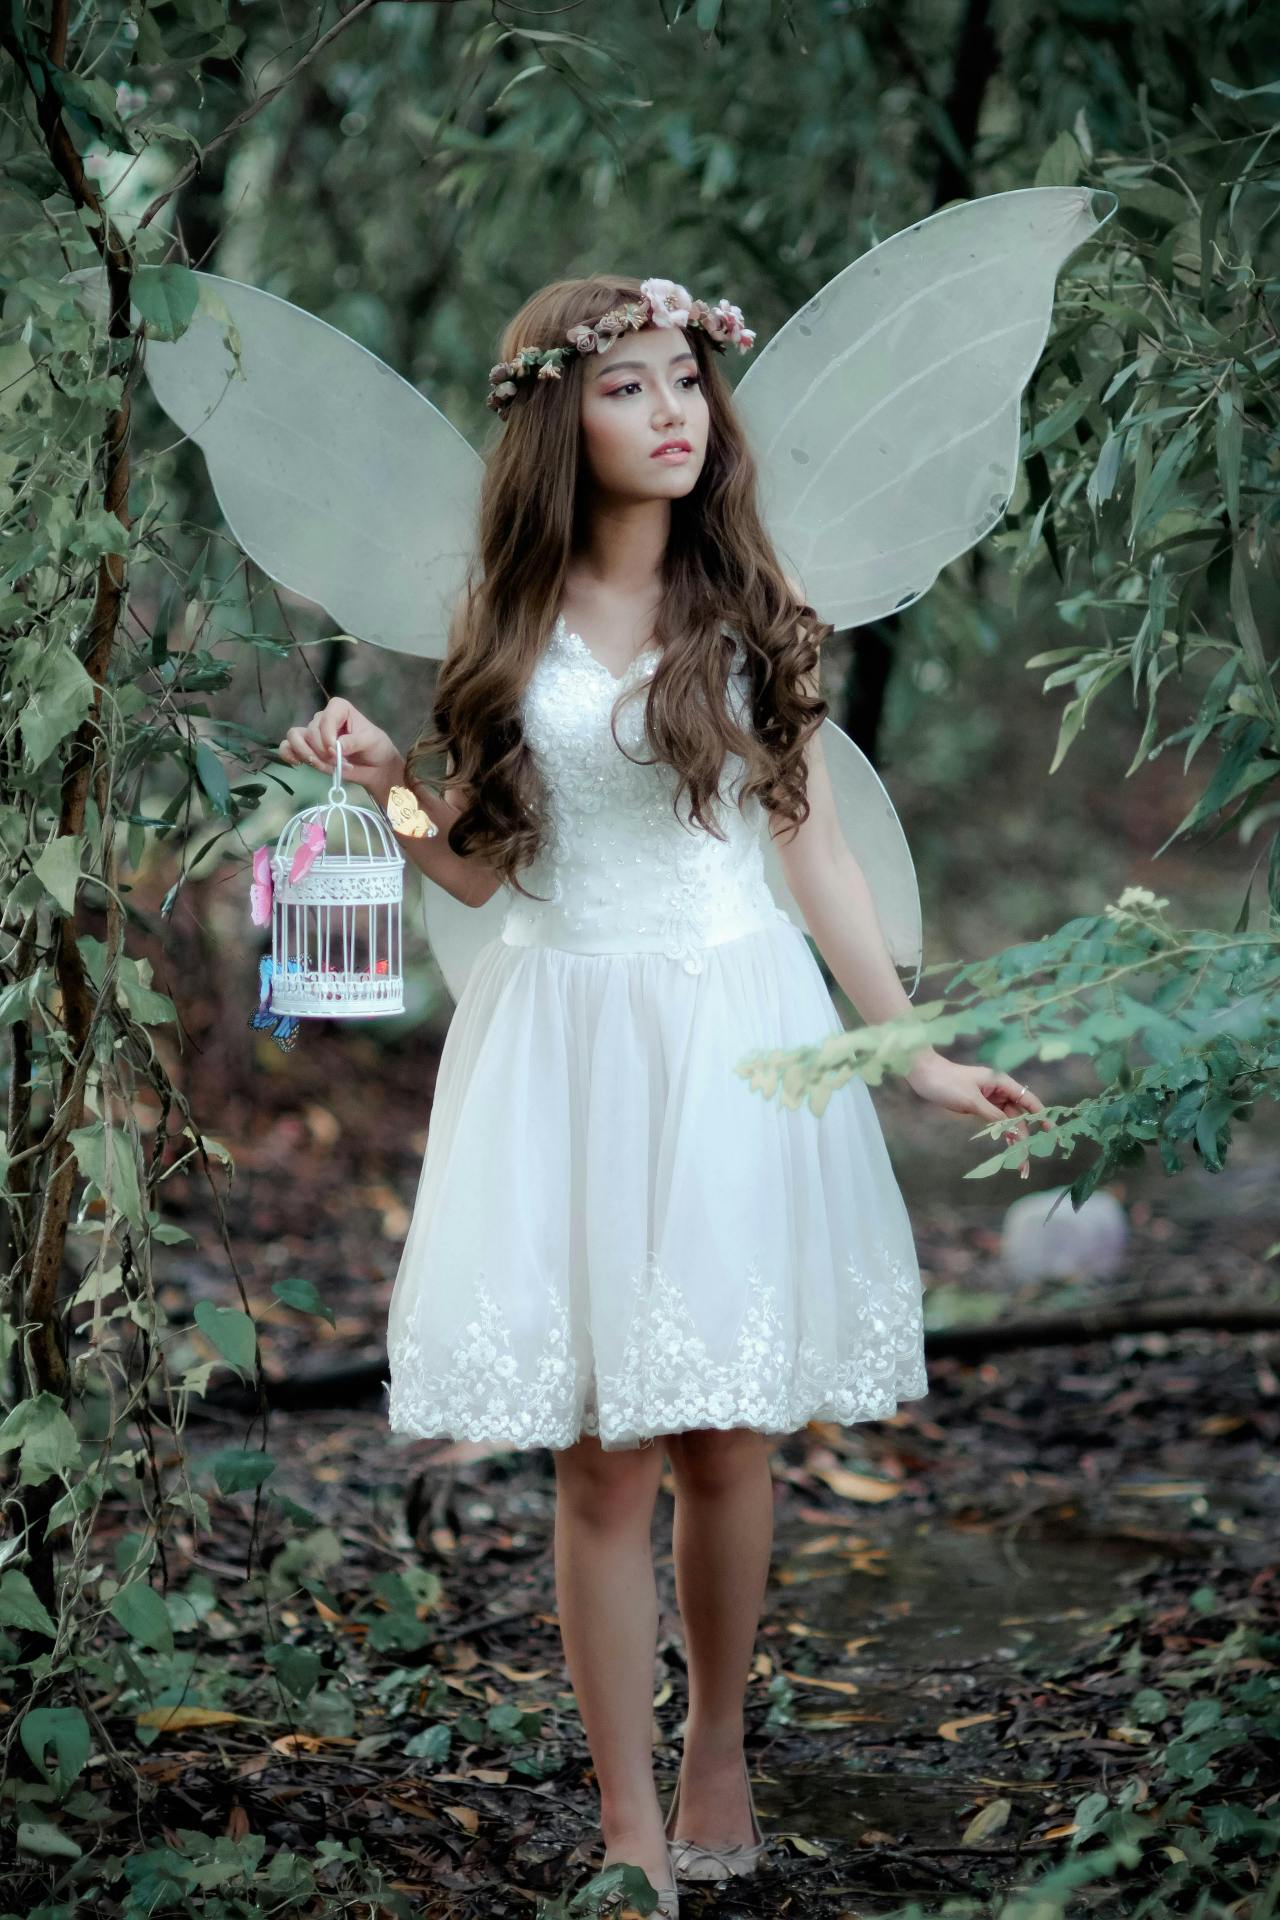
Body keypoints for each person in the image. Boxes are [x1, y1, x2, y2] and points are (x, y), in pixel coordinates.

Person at [278, 274, 1046, 1918]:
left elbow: (813, 850)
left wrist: (906, 1049)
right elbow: (478, 880)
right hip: (568, 1041)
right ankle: (629, 1821)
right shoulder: (509, 619)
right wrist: (389, 792)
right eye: (628, 387)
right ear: (564, 417)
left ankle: (718, 1744)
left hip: (735, 1036)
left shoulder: (750, 605)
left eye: (685, 379)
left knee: (723, 1430)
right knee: (603, 1461)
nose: (672, 412)